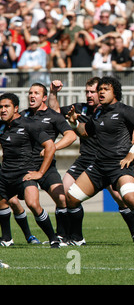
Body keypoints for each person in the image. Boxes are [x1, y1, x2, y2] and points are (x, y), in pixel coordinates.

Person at [65, 76, 134, 246]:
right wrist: (73, 123)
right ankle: (77, 239)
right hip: (99, 166)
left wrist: (133, 152)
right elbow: (85, 133)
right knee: (72, 198)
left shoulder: (124, 110)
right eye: (99, 89)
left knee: (131, 199)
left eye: (105, 89)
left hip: (120, 165)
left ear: (115, 92)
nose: (101, 92)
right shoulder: (98, 112)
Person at [48, 78, 134, 244]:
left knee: (121, 198)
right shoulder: (79, 108)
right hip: (85, 159)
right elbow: (55, 111)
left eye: (93, 91)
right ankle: (64, 235)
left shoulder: (110, 110)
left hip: (106, 160)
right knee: (64, 193)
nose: (90, 95)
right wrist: (53, 93)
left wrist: (133, 144)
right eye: (87, 92)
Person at [18, 83, 77, 244]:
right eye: (30, 93)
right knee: (31, 203)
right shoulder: (22, 116)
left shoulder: (54, 116)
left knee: (62, 199)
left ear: (44, 97)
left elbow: (71, 136)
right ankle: (41, 236)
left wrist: (52, 147)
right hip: (26, 167)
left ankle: (62, 235)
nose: (32, 96)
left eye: (36, 93)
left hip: (47, 166)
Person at [0, 93, 60, 248]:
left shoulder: (29, 124)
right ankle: (7, 239)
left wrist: (40, 172)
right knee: (2, 203)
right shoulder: (1, 126)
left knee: (33, 204)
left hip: (25, 173)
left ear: (16, 108)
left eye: (7, 106)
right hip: (5, 174)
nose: (3, 110)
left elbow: (50, 146)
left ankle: (53, 238)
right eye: (0, 107)